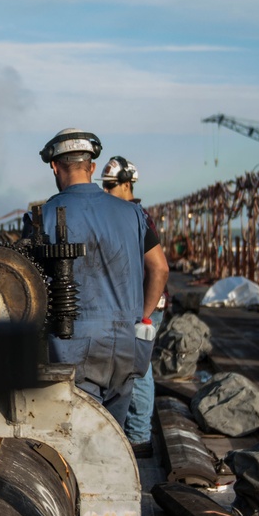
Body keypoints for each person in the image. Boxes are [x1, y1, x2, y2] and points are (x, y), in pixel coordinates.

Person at [35, 129, 169, 430]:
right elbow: (160, 268)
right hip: (125, 343)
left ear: (55, 167)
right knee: (114, 440)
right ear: (92, 167)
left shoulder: (43, 216)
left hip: (71, 348)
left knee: (82, 444)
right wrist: (142, 316)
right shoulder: (135, 215)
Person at [101, 155, 169, 457]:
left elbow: (159, 269)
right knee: (134, 369)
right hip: (136, 305)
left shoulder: (136, 216)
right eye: (104, 185)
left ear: (127, 184)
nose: (106, 191)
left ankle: (139, 438)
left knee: (140, 372)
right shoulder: (124, 215)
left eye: (111, 186)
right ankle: (133, 432)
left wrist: (144, 313)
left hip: (147, 305)